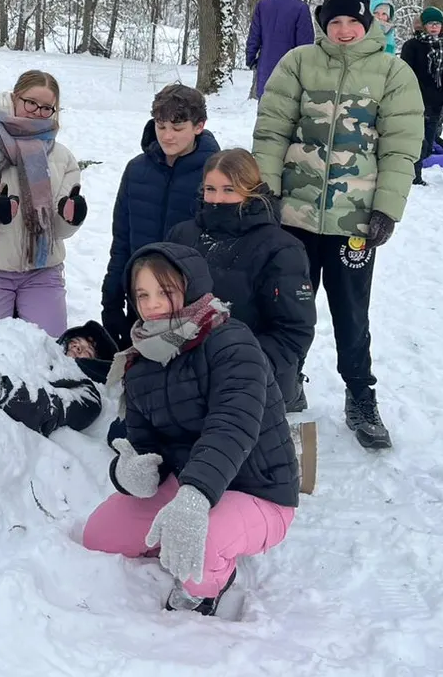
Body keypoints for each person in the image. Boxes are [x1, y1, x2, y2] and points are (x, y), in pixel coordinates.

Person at [82, 244, 298, 616]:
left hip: (258, 489)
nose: (152, 304)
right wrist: (132, 473)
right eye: (142, 295)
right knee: (100, 535)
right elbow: (145, 443)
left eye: (164, 291)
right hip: (186, 487)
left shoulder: (232, 342)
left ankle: (211, 582)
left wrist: (195, 497)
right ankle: (182, 533)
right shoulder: (141, 362)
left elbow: (232, 426)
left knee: (204, 547)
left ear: (190, 287)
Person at [252, 0, 423, 450]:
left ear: (367, 23)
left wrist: (386, 208)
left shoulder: (393, 73)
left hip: (355, 222)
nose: (344, 30)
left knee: (351, 312)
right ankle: (285, 382)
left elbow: (401, 147)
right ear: (323, 23)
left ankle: (360, 395)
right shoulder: (298, 63)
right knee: (288, 306)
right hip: (294, 216)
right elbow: (272, 131)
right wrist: (267, 191)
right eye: (335, 22)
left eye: (352, 21)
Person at [165, 150, 315, 410]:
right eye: (210, 189)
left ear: (250, 191)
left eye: (229, 190)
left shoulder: (281, 249)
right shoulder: (182, 235)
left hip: (252, 375)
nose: (217, 199)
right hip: (187, 367)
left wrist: (241, 366)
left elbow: (294, 331)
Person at [0, 70, 85, 336]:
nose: (38, 112)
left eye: (46, 107)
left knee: (50, 349)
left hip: (42, 271)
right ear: (15, 98)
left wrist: (70, 217)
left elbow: (59, 232)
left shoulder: (63, 158)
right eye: (31, 103)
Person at [101, 83, 221, 347]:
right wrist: (111, 299)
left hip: (192, 308)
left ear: (199, 126)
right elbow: (121, 239)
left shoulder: (215, 175)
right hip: (143, 303)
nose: (167, 136)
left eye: (177, 128)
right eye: (161, 126)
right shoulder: (136, 170)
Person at [400, 6, 443, 186]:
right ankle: (414, 177)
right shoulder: (412, 46)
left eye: (437, 24)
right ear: (423, 26)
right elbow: (404, 75)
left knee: (427, 145)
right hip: (414, 101)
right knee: (418, 143)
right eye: (430, 24)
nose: (434, 27)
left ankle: (412, 172)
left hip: (435, 104)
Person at [247, 0, 315, 98]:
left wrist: (251, 58)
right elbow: (305, 45)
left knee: (265, 105)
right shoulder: (301, 8)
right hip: (290, 74)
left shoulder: (263, 4)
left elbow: (254, 35)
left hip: (265, 69)